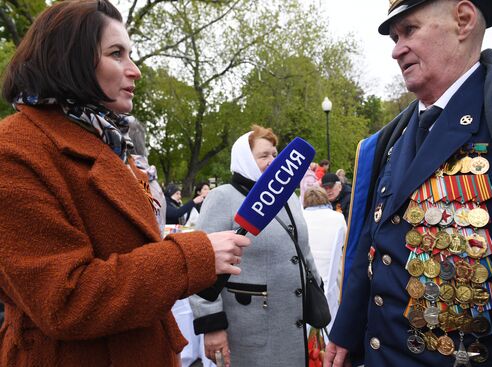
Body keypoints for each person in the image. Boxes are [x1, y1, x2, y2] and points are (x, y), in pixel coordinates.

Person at [0, 1, 250, 366]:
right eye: (116, 54)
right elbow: (65, 300)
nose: (135, 71)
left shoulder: (107, 141)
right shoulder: (15, 150)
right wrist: (194, 256)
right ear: (69, 59)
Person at [325, 1, 492, 367]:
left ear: (462, 20)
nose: (396, 50)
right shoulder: (389, 139)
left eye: (410, 30)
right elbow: (374, 239)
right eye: (395, 37)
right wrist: (346, 329)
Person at [189, 125, 321, 367]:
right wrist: (212, 325)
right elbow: (202, 263)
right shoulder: (223, 197)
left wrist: (317, 296)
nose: (273, 161)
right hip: (249, 328)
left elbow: (303, 250)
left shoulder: (289, 198)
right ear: (244, 159)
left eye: (275, 154)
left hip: (293, 321)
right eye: (263, 155)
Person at [302, 186, 347, 332]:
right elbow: (344, 243)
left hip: (304, 278)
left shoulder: (300, 216)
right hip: (329, 278)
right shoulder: (338, 218)